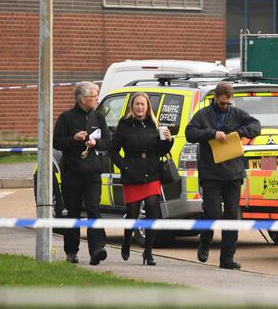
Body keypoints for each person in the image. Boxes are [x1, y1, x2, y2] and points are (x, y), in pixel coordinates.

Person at [185, 81, 261, 269]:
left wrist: (239, 132)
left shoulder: (236, 114)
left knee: (231, 215)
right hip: (211, 173)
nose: (226, 106)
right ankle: (205, 241)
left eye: (229, 103)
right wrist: (212, 133)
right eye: (222, 103)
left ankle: (227, 258)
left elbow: (256, 125)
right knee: (212, 212)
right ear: (215, 98)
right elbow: (190, 132)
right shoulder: (203, 115)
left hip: (233, 173)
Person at [108, 92, 173, 266]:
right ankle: (127, 240)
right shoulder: (124, 125)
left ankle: (148, 251)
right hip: (132, 172)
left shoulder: (154, 124)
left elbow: (161, 151)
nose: (140, 107)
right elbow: (113, 150)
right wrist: (125, 167)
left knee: (152, 207)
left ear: (147, 107)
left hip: (151, 172)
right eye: (137, 104)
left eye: (143, 104)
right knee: (133, 213)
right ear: (132, 106)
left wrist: (169, 140)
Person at [53, 81, 110, 266]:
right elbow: (57, 142)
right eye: (94, 96)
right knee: (73, 212)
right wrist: (73, 139)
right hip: (72, 173)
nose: (97, 99)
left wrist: (96, 144)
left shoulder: (98, 118)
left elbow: (108, 141)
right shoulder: (66, 118)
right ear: (83, 99)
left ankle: (97, 249)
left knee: (94, 209)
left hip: (93, 173)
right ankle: (71, 251)